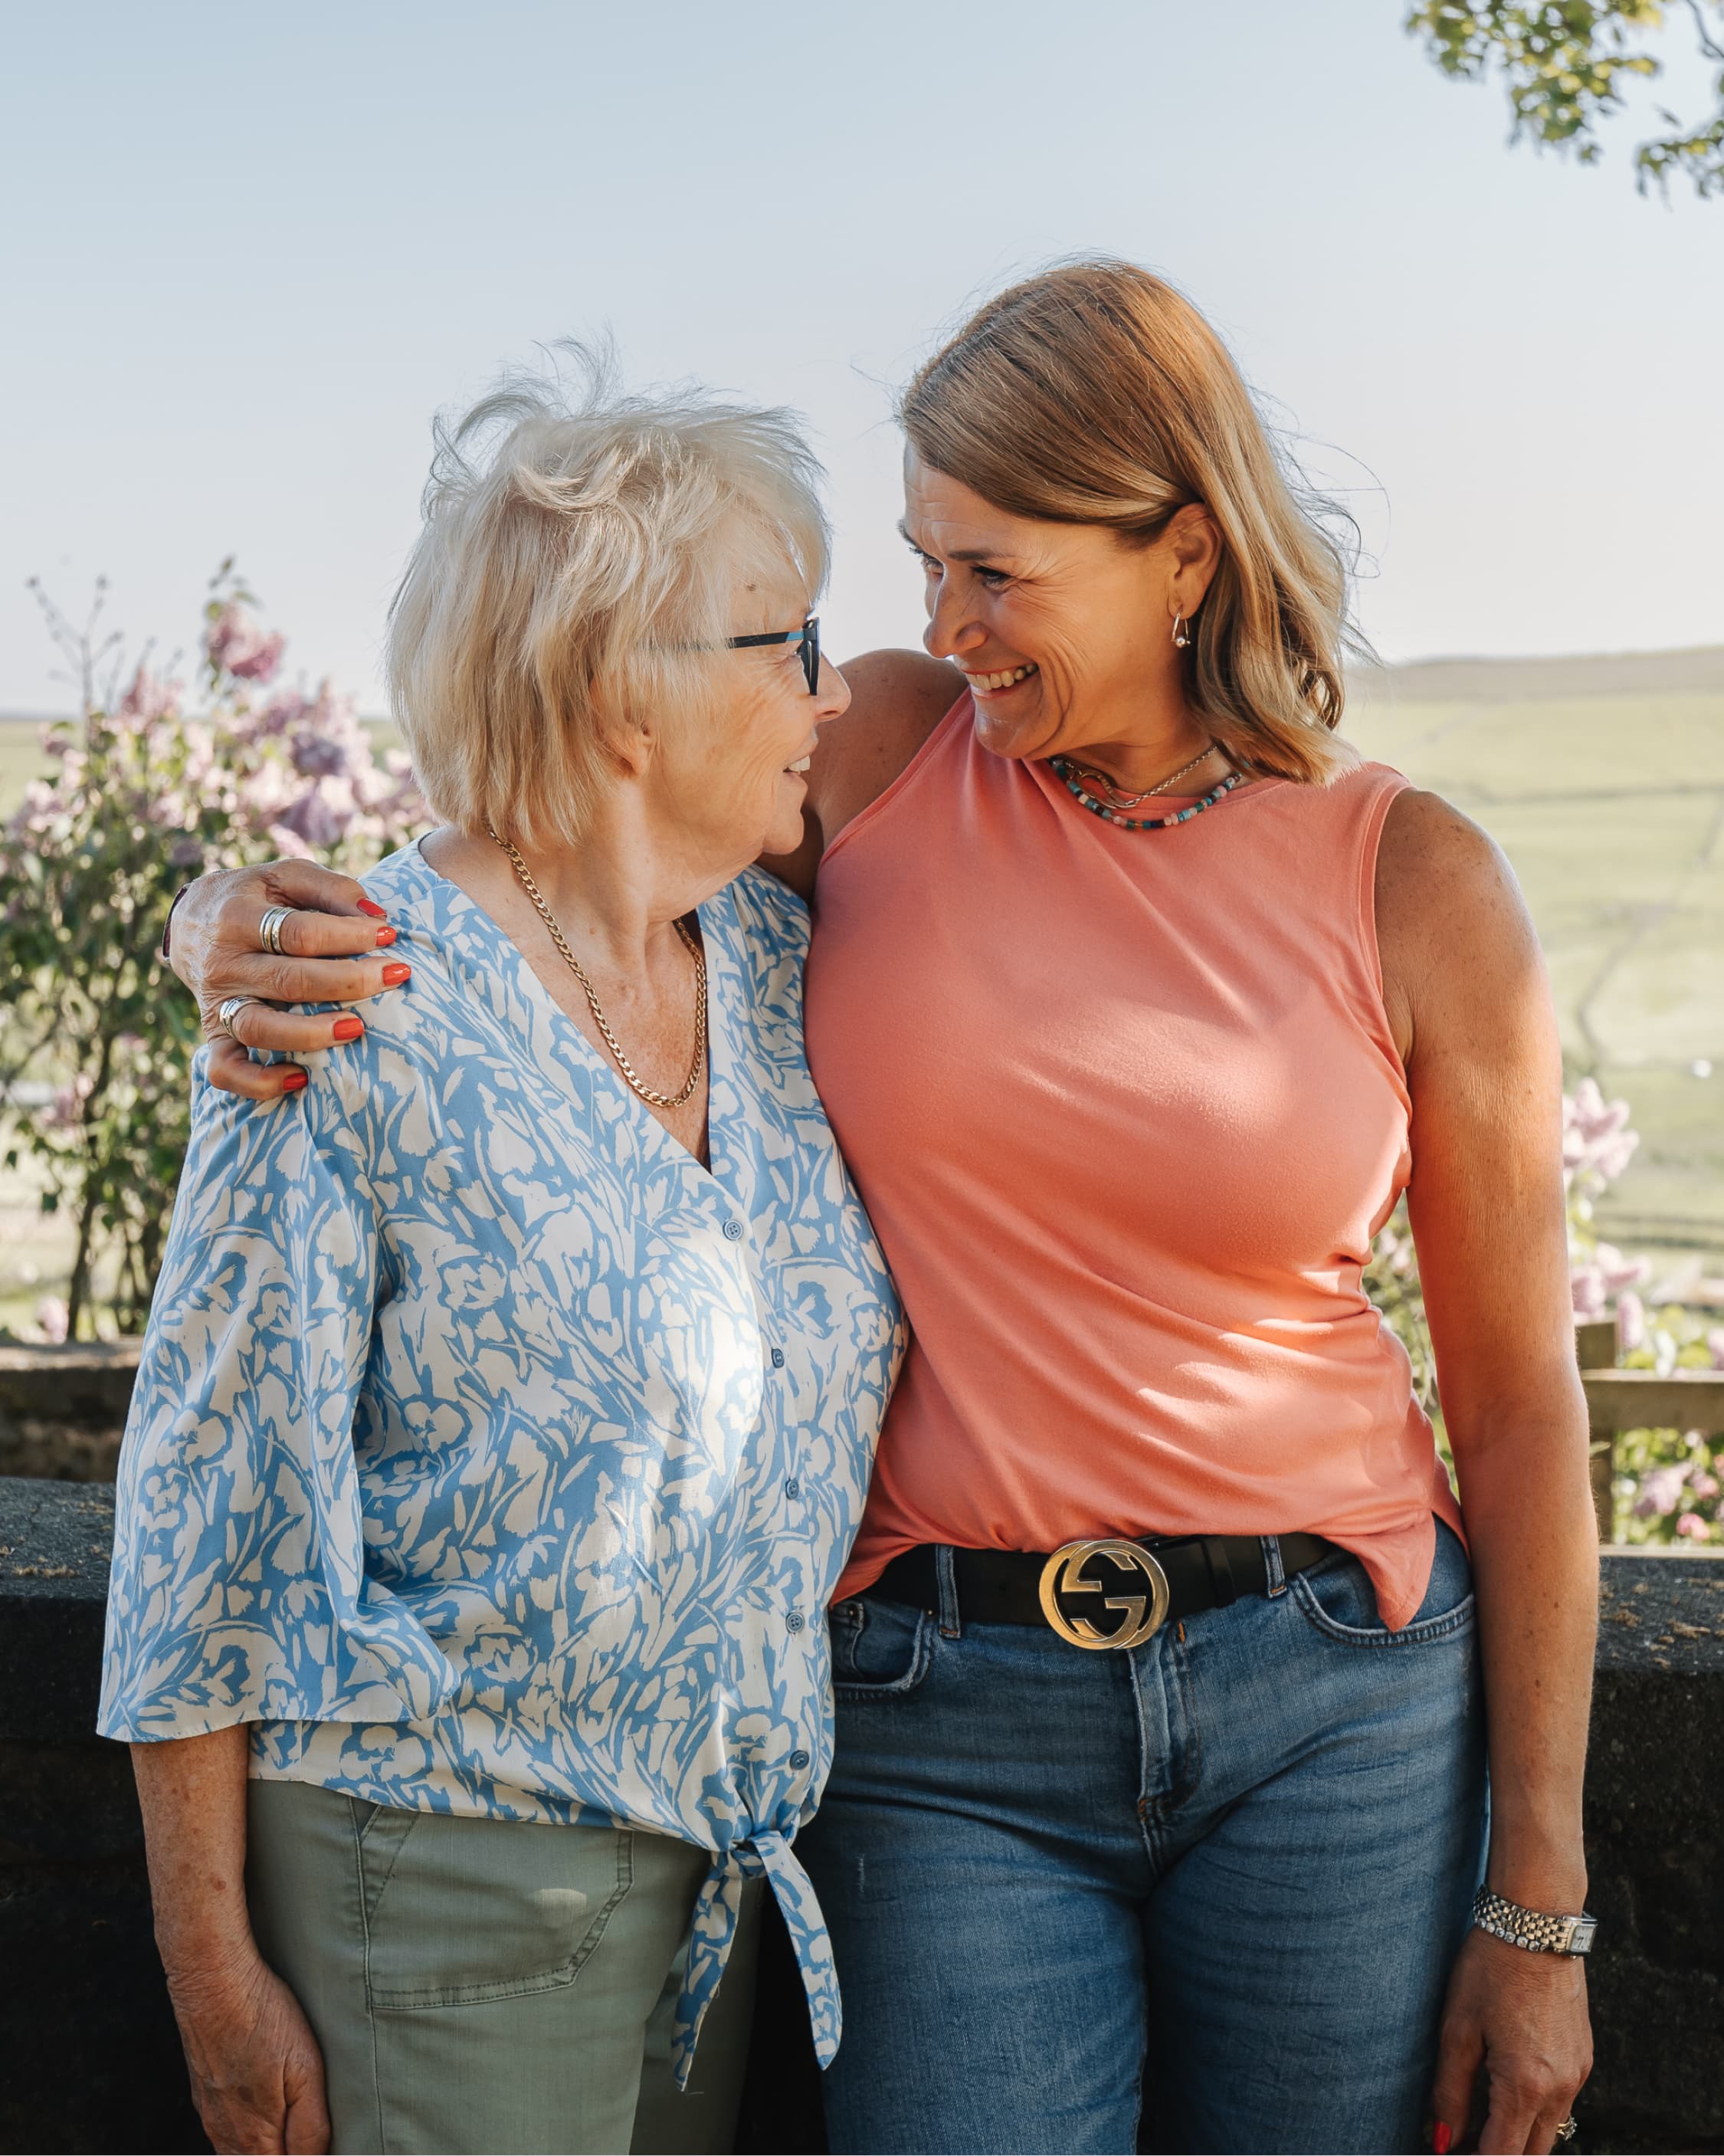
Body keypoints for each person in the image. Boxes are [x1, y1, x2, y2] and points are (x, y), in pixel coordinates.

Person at [163, 260, 1597, 2156]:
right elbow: (554, 789)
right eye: (923, 564)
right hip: (938, 1710)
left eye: (996, 571)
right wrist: (223, 921)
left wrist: (1543, 1900)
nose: (941, 625)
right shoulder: (897, 745)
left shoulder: (1418, 881)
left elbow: (1517, 1415)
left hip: (1332, 1704)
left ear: (1183, 555)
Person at [100, 363, 903, 2156]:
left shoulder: (775, 966)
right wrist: (208, 1971)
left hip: (718, 1883)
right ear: (627, 687)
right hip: (436, 1889)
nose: (833, 694)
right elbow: (204, 1514)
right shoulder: (345, 998)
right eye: (791, 644)